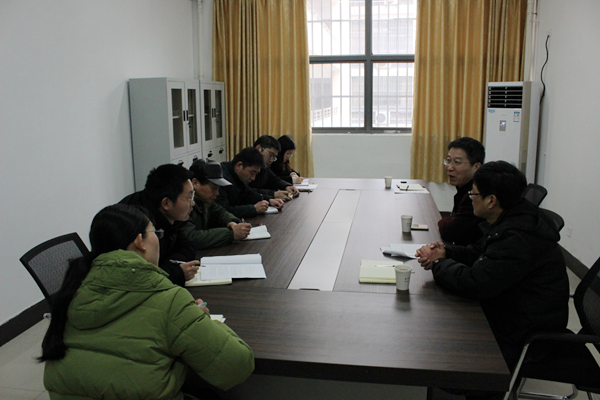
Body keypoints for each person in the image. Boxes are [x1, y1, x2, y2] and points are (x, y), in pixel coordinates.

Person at [40, 204, 255, 399]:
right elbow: (237, 367)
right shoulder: (170, 300)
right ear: (139, 241)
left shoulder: (72, 290)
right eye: (156, 233)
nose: (158, 240)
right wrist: (201, 320)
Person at [416, 161, 569, 400]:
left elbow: (475, 283)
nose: (470, 198)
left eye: (474, 193)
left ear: (491, 201)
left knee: (433, 356)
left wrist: (437, 264)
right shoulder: (512, 218)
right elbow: (479, 252)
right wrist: (446, 252)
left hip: (521, 335)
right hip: (514, 314)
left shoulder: (516, 237)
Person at [119, 164, 199, 286]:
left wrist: (167, 267)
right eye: (188, 197)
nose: (192, 203)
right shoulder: (135, 223)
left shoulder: (170, 215)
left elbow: (187, 246)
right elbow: (135, 277)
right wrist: (173, 273)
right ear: (166, 203)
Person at [181, 159, 252, 249]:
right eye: (213, 188)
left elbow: (220, 212)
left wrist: (233, 223)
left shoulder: (205, 201)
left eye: (218, 189)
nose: (217, 193)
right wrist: (231, 234)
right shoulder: (183, 205)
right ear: (195, 183)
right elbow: (191, 238)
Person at [438, 137, 486, 246]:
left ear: (476, 167)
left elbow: (451, 231)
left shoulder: (475, 195)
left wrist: (441, 221)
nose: (449, 167)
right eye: (448, 161)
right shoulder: (463, 188)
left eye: (457, 162)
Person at [216, 147, 284, 218]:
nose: (253, 178)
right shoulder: (221, 179)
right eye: (252, 173)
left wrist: (269, 200)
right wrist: (254, 209)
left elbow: (249, 194)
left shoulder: (236, 175)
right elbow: (223, 212)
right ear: (239, 165)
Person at [249, 135, 299, 200]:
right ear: (259, 149)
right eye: (270, 155)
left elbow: (274, 180)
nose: (271, 160)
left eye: (274, 157)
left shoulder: (264, 167)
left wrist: (287, 186)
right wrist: (273, 194)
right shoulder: (247, 164)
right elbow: (248, 192)